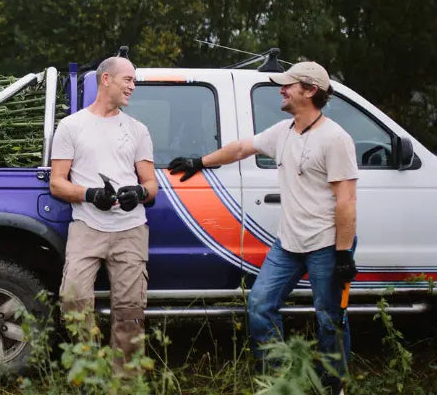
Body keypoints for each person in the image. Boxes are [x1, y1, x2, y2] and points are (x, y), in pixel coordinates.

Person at [168, 61, 358, 393]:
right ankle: (280, 378)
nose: (281, 90)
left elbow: (346, 200)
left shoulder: (335, 139)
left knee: (330, 319)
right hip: (288, 244)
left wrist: (343, 253)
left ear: (310, 91)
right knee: (259, 304)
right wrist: (200, 161)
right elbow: (242, 148)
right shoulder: (284, 131)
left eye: (288, 85)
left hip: (326, 245)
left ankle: (333, 384)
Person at [50, 56, 158, 373]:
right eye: (128, 79)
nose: (133, 86)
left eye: (134, 81)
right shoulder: (71, 126)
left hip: (131, 229)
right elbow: (58, 182)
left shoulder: (138, 130)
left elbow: (151, 185)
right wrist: (91, 194)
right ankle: (89, 372)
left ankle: (123, 381)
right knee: (73, 299)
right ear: (106, 79)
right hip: (87, 226)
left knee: (130, 310)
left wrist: (137, 193)